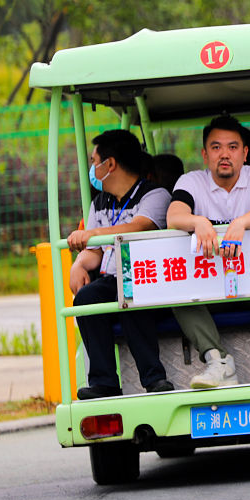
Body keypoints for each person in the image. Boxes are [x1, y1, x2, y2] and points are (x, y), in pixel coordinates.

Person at [166, 115, 250, 388]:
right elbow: (174, 216)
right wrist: (198, 221)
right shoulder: (190, 181)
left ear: (245, 153)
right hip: (208, 287)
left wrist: (241, 223)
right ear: (204, 154)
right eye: (216, 147)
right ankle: (218, 362)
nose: (224, 154)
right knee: (173, 286)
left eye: (233, 147)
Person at [68, 130, 173, 399]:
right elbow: (95, 252)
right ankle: (104, 381)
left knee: (130, 291)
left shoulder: (154, 195)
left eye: (95, 162)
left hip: (148, 277)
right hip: (111, 277)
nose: (93, 169)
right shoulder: (100, 202)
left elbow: (138, 227)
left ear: (110, 164)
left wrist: (92, 235)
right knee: (86, 297)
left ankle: (154, 378)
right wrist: (79, 263)